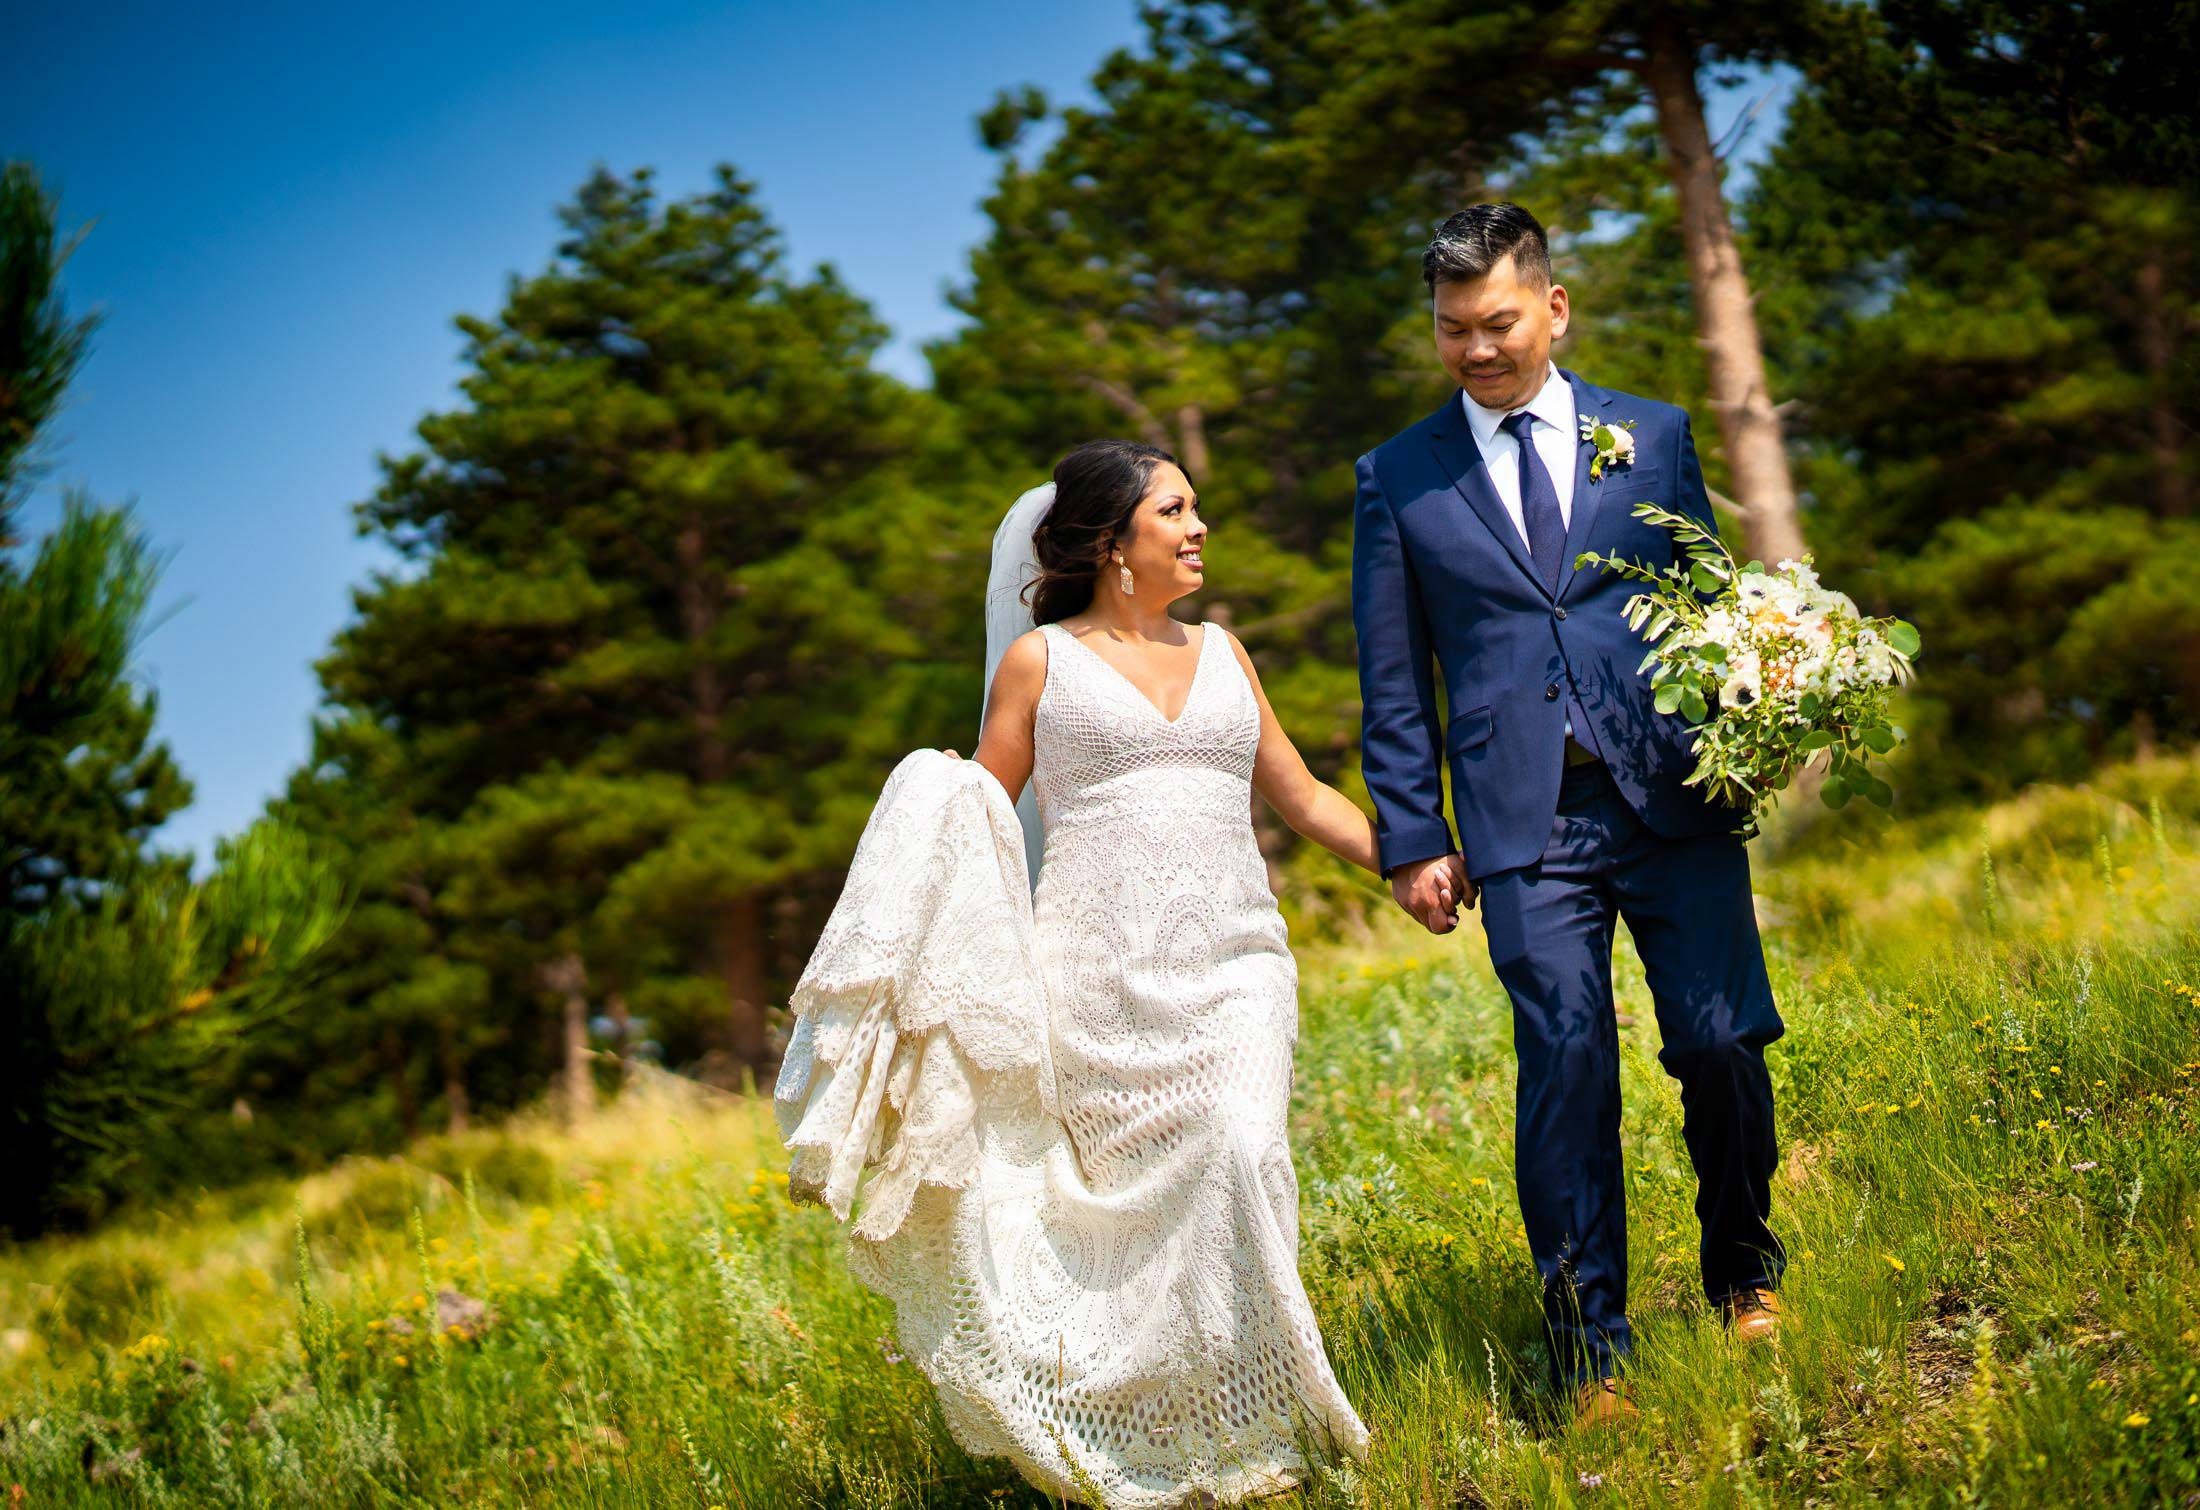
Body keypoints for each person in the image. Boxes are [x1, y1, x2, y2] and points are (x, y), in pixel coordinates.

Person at [775, 438, 1381, 1506]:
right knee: (1135, 1221)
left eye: (1197, 510)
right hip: (1095, 983)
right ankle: (1164, 1439)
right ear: (1112, 543)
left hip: (1237, 963)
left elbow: (1305, 795)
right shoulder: (1040, 662)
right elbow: (980, 810)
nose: (1199, 529)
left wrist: (1425, 865)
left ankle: (1270, 1418)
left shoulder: (1226, 652)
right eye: (1175, 511)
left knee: (1241, 1152)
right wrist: (924, 817)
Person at [1350, 202, 1790, 1427]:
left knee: (1716, 1040)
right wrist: (1410, 833)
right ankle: (1589, 1349)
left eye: (1495, 323)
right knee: (1565, 1059)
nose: (1475, 350)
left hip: (1673, 790)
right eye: (1450, 331)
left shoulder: (1653, 437)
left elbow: (1710, 607)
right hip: (1519, 823)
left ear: (1551, 307)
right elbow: (1394, 674)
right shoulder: (1395, 477)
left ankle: (1743, 1269)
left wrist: (1758, 721)